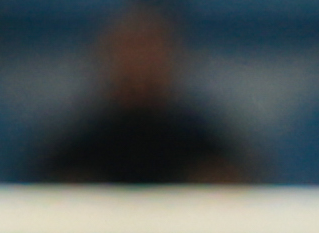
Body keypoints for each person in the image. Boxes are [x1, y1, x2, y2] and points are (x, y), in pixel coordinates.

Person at [34, 7, 248, 190]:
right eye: (129, 48)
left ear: (175, 57)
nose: (140, 62)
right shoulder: (70, 152)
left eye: (151, 49)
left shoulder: (212, 151)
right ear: (104, 56)